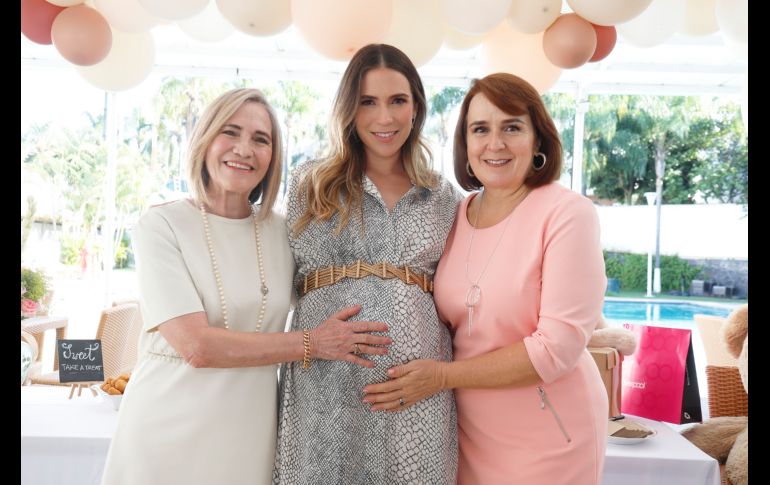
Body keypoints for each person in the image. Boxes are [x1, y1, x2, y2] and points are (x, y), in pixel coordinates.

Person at [101, 88, 391, 485]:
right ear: (205, 139)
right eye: (230, 132)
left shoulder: (283, 231)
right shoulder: (161, 226)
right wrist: (313, 343)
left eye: (260, 139)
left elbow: (342, 282)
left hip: (249, 432)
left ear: (273, 156)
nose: (244, 149)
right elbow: (196, 346)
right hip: (165, 430)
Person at [363, 73, 609, 485]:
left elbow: (556, 349)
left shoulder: (567, 214)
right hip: (467, 436)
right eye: (480, 129)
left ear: (538, 140)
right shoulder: (455, 214)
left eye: (511, 127)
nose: (495, 143)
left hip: (550, 435)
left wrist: (440, 376)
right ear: (465, 144)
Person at [272, 44, 461, 484]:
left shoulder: (442, 196)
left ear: (416, 108)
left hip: (416, 390)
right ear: (348, 110)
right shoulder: (310, 183)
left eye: (398, 101)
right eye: (368, 102)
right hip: (326, 383)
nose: (385, 117)